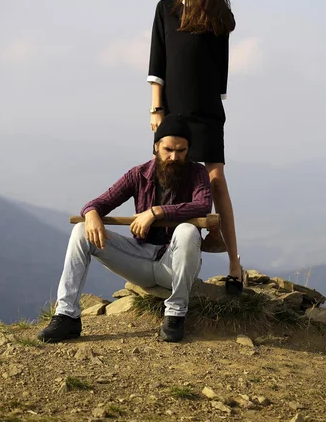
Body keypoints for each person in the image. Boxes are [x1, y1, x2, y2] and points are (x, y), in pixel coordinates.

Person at [37, 114, 212, 344]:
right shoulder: (138, 175)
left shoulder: (197, 173)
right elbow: (97, 203)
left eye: (181, 151)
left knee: (188, 231)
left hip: (174, 264)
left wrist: (156, 212)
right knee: (81, 231)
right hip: (139, 259)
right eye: (168, 149)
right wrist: (91, 214)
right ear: (156, 146)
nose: (174, 156)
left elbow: (202, 205)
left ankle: (175, 315)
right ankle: (67, 315)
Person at [147, 0, 242, 292]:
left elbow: (221, 65)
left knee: (216, 179)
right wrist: (157, 111)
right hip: (172, 113)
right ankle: (164, 258)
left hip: (206, 111)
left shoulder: (218, 15)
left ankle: (234, 263)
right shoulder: (165, 10)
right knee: (170, 176)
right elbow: (157, 62)